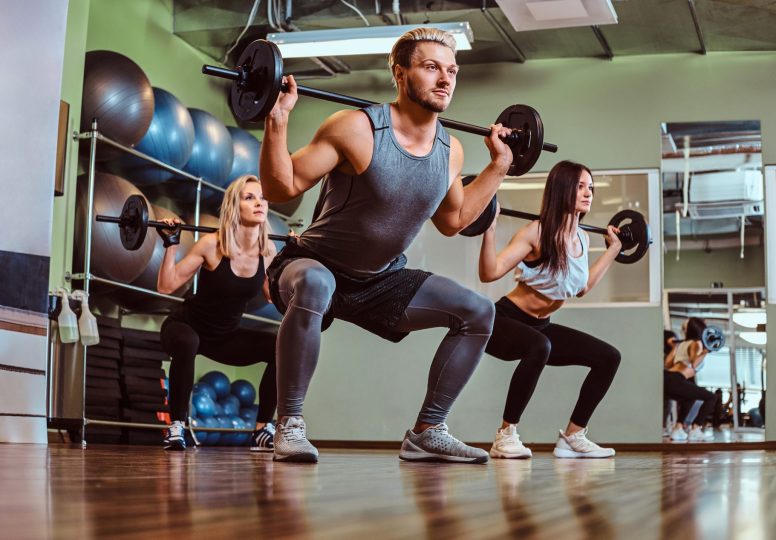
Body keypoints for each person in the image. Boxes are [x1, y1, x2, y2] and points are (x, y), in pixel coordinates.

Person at [259, 27, 514, 463]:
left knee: (478, 312)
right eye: (431, 67)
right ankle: (289, 424)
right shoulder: (356, 128)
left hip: (381, 280)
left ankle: (428, 431)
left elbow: (453, 221)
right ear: (400, 73)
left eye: (452, 70)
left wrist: (499, 167)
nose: (445, 79)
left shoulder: (449, 150)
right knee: (317, 284)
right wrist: (277, 119)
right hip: (312, 263)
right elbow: (281, 187)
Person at [479, 160, 622, 459]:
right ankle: (505, 435)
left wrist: (613, 250)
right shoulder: (536, 233)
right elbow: (489, 272)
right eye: (580, 186)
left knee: (608, 357)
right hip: (503, 321)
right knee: (540, 345)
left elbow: (582, 288)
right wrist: (488, 228)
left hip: (540, 327)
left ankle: (573, 436)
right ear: (562, 189)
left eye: (591, 187)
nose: (588, 193)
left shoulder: (582, 238)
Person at [157, 175, 278, 451]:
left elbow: (273, 297)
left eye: (263, 198)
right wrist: (171, 245)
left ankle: (262, 429)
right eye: (250, 197)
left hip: (224, 337)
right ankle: (176, 427)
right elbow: (166, 285)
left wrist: (288, 261)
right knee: (188, 341)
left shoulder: (268, 251)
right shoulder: (212, 244)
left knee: (278, 346)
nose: (259, 203)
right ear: (235, 206)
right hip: (185, 326)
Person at [664, 317, 718, 442]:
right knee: (712, 397)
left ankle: (678, 429)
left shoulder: (682, 344)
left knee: (690, 398)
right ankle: (696, 429)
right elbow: (694, 363)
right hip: (677, 379)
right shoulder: (696, 343)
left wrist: (673, 347)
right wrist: (706, 351)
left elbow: (667, 364)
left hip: (668, 378)